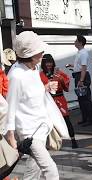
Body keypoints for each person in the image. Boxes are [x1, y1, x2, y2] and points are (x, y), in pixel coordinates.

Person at [5, 31, 60, 180]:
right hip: (29, 131)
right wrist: (10, 135)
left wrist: (46, 87)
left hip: (40, 127)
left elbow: (31, 92)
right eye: (39, 51)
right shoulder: (16, 75)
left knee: (33, 171)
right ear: (30, 54)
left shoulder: (34, 69)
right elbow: (10, 106)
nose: (42, 53)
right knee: (51, 171)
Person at [40, 54, 78, 149]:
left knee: (66, 120)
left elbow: (66, 87)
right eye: (47, 62)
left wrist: (59, 77)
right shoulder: (40, 75)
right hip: (48, 100)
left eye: (50, 62)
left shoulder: (58, 72)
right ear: (43, 64)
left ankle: (73, 140)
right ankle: (50, 142)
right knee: (48, 121)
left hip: (60, 99)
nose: (49, 64)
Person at [66, 35, 92, 126]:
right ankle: (85, 118)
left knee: (86, 99)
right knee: (81, 99)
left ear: (80, 42)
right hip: (79, 76)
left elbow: (84, 67)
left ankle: (91, 120)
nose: (74, 42)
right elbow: (79, 66)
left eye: (76, 41)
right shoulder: (79, 52)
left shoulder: (83, 53)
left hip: (82, 77)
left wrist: (81, 80)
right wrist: (71, 65)